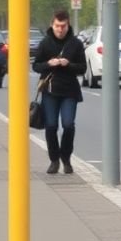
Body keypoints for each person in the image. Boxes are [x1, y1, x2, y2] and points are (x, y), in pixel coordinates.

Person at [32, 10, 86, 174]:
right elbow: (36, 66)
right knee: (51, 126)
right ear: (52, 25)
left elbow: (83, 68)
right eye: (57, 26)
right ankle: (54, 160)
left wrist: (67, 64)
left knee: (68, 125)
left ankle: (66, 158)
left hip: (69, 91)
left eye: (63, 26)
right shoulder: (46, 43)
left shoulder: (75, 43)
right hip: (50, 91)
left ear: (68, 25)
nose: (60, 29)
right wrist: (49, 63)